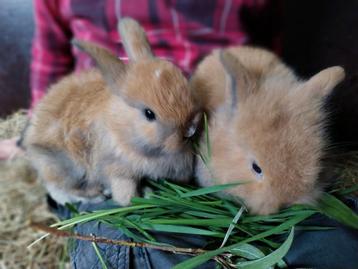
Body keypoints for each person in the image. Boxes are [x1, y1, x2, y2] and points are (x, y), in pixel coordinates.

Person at [0, 0, 280, 160]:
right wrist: (34, 131)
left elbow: (265, 51)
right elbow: (51, 51)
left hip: (215, 120)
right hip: (108, 124)